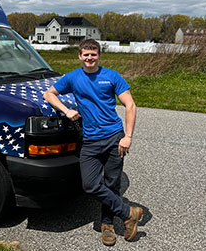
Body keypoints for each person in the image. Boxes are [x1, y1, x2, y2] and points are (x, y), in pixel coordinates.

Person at [43, 39, 143, 246]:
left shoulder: (112, 76)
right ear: (80, 56)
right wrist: (66, 110)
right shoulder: (72, 77)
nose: (90, 58)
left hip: (115, 137)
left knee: (112, 183)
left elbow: (130, 105)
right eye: (86, 54)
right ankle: (129, 213)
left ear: (99, 55)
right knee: (90, 185)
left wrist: (128, 137)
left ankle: (108, 225)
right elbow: (49, 94)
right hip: (90, 140)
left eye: (93, 54)